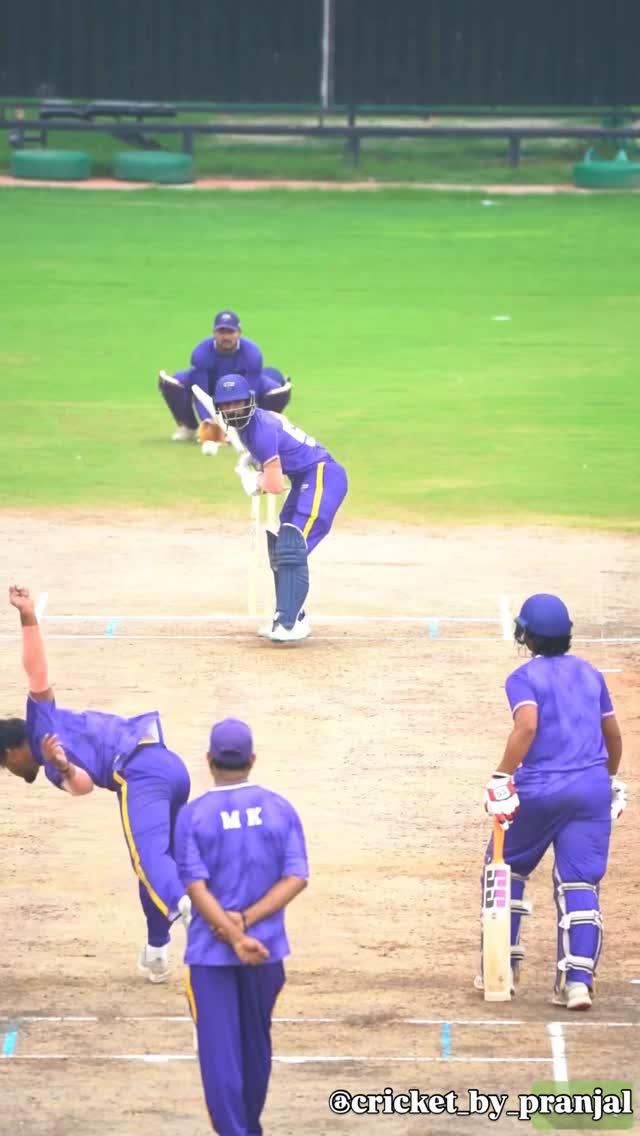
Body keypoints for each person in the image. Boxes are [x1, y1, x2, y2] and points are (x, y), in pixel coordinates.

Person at [0, 586, 192, 983]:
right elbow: (83, 785)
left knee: (148, 859)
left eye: (5, 766)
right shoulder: (51, 762)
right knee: (156, 862)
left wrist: (27, 615)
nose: (12, 773)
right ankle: (157, 951)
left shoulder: (40, 725)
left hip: (140, 774)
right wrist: (64, 766)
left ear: (11, 751)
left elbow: (37, 671)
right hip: (171, 767)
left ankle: (191, 911)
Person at [479, 592, 627, 1011]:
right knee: (580, 883)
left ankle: (501, 972)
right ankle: (577, 983)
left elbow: (527, 725)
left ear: (524, 635)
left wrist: (502, 774)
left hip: (540, 790)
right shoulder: (591, 673)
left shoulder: (522, 677)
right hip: (590, 790)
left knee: (507, 869)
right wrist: (608, 778)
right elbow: (613, 735)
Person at [175, 716, 308, 1136]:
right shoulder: (280, 809)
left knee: (220, 1055)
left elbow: (195, 887)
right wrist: (247, 924)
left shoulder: (193, 816)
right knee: (255, 1048)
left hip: (210, 957)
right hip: (265, 951)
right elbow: (296, 877)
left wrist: (232, 936)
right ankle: (250, 1128)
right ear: (252, 759)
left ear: (209, 760)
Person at [207, 373, 348, 643]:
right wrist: (255, 462)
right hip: (304, 479)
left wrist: (252, 479)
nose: (232, 409)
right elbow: (280, 434)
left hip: (322, 476)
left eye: (237, 403)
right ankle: (291, 615)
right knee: (284, 545)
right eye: (226, 405)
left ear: (248, 401)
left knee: (292, 546)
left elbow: (273, 485)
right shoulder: (252, 426)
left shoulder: (259, 428)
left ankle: (290, 623)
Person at [158, 309, 292, 443]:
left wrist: (235, 427)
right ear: (214, 333)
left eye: (231, 332)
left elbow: (251, 395)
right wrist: (210, 421)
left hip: (243, 388)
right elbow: (201, 393)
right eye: (221, 332)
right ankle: (188, 427)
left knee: (278, 392)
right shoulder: (201, 353)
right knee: (171, 383)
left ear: (239, 333)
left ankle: (257, 430)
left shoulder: (252, 354)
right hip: (211, 385)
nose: (226, 337)